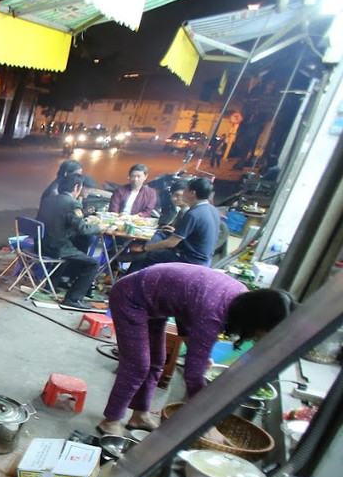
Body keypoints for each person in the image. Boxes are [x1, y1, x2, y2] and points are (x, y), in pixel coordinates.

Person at [97, 264, 296, 437]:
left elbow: (188, 311)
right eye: (263, 332)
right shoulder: (215, 312)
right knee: (137, 365)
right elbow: (193, 374)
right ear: (257, 319)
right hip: (131, 298)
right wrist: (203, 422)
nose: (259, 338)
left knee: (157, 361)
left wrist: (199, 354)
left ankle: (139, 416)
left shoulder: (239, 299)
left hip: (155, 303)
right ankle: (110, 421)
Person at [122, 176, 219, 270]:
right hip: (203, 258)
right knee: (160, 235)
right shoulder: (212, 209)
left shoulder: (193, 214)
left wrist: (145, 248)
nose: (176, 197)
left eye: (185, 190)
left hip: (190, 259)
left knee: (146, 255)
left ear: (192, 193)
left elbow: (171, 243)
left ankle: (129, 281)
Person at [36, 172, 101, 310]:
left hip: (39, 245)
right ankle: (73, 298)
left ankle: (52, 284)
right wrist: (99, 226)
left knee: (75, 246)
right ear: (77, 187)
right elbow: (83, 229)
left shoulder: (49, 199)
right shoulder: (72, 204)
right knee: (93, 264)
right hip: (55, 247)